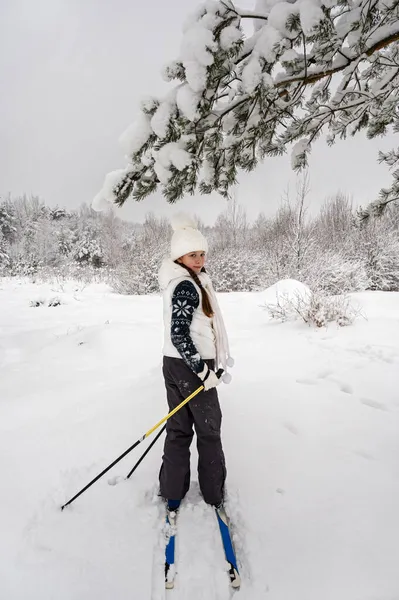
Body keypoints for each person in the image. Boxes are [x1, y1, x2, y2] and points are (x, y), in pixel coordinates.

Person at [158, 214, 234, 511]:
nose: (200, 259)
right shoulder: (187, 286)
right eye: (193, 254)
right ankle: (213, 493)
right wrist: (203, 371)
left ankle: (173, 492)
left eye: (202, 253)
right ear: (180, 256)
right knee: (209, 430)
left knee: (178, 429)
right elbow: (179, 334)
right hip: (191, 365)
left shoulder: (183, 280)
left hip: (174, 363)